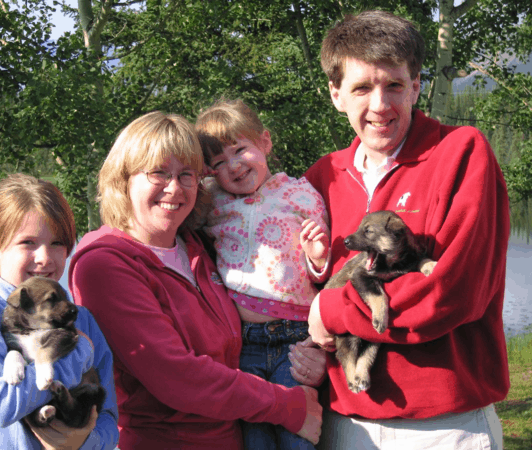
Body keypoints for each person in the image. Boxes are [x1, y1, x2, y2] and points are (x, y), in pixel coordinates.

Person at [305, 10, 509, 449]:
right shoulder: (321, 177)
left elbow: (454, 291)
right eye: (361, 87)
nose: (380, 105)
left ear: (417, 85)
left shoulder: (461, 153)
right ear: (336, 94)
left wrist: (331, 311)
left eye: (394, 85)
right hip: (344, 425)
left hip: (444, 427)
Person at [68, 111, 323, 449]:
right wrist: (285, 405)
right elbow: (176, 376)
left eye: (186, 174)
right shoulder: (104, 264)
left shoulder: (200, 247)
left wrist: (311, 356)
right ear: (123, 178)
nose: (174, 188)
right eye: (158, 172)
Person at [0, 173, 119, 449]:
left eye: (58, 243)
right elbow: (1, 406)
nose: (45, 257)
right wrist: (79, 355)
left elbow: (109, 419)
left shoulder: (82, 319)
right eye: (28, 242)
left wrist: (83, 443)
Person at [194, 98, 330, 450]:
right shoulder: (214, 201)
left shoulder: (300, 194)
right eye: (219, 162)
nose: (234, 167)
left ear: (265, 142)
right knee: (255, 437)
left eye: (240, 150)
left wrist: (318, 256)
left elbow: (322, 275)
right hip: (245, 343)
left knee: (296, 432)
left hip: (295, 339)